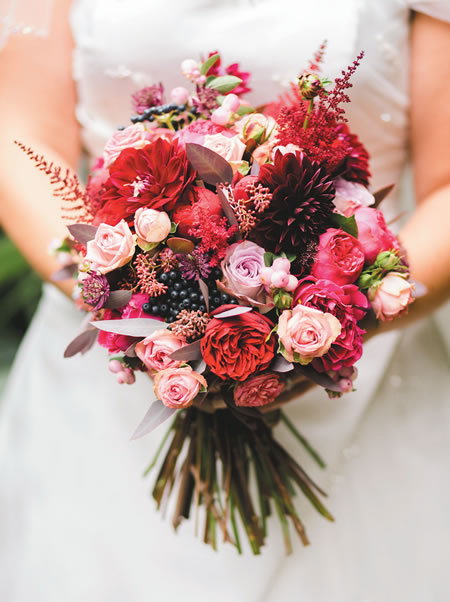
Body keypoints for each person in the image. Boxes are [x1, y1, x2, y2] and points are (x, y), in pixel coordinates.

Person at [0, 1, 449, 600]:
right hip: (110, 378)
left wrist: (328, 324)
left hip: (361, 375)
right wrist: (128, 299)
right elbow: (22, 135)